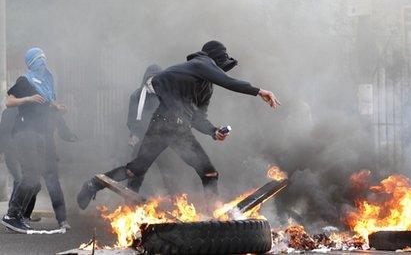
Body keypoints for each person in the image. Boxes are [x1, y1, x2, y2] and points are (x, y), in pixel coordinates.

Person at [77, 40, 280, 210]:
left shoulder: (207, 88)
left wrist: (214, 131)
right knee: (134, 170)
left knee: (209, 173)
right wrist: (259, 91)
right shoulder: (200, 63)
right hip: (161, 126)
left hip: (181, 132)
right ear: (215, 61)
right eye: (221, 65)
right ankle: (93, 184)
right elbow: (227, 81)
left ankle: (212, 218)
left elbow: (198, 117)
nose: (221, 69)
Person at [1, 48, 71, 233]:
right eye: (38, 59)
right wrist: (28, 98)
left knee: (35, 181)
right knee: (30, 178)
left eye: (43, 58)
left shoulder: (46, 86)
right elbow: (8, 102)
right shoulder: (25, 80)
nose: (42, 62)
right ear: (31, 62)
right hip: (25, 134)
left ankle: (17, 216)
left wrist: (57, 107)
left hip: (40, 136)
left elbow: (45, 107)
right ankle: (12, 215)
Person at [126, 64, 177, 194]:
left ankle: (175, 203)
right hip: (142, 139)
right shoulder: (137, 95)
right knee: (135, 172)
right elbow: (131, 119)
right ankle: (130, 202)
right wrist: (134, 133)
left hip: (162, 139)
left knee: (168, 172)